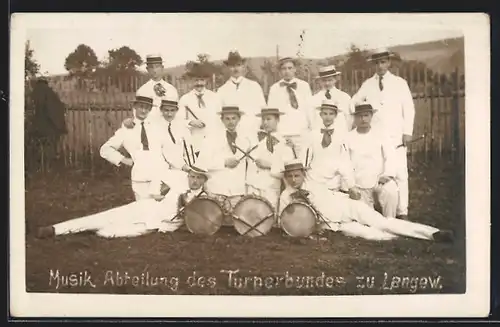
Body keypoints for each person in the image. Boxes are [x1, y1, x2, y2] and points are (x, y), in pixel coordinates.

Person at [277, 159, 454, 242]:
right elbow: (286, 223)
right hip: (333, 224)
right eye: (290, 176)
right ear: (286, 177)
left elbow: (339, 165)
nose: (294, 179)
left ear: (303, 174)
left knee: (383, 223)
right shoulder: (286, 196)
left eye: (297, 175)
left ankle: (433, 233)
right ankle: (408, 238)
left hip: (347, 207)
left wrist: (351, 187)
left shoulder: (314, 179)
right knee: (373, 235)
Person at [35, 164, 208, 239]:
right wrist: (155, 193)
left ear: (203, 180)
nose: (194, 181)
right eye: (192, 176)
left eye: (198, 178)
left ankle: (91, 231)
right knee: (101, 218)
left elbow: (199, 222)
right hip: (145, 208)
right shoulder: (178, 180)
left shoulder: (203, 199)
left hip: (156, 225)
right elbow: (159, 176)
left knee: (107, 234)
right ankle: (55, 230)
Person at [351, 47, 415, 219]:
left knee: (401, 173)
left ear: (389, 62)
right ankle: (380, 207)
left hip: (396, 136)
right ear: (374, 64)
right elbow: (354, 102)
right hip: (378, 137)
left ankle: (403, 211)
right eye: (377, 63)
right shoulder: (368, 84)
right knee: (380, 172)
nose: (380, 66)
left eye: (383, 62)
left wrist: (407, 131)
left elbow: (409, 108)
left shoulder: (399, 83)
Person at [100, 94, 164, 200]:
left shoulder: (156, 126)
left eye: (147, 108)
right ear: (135, 107)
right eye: (141, 107)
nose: (144, 111)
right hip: (141, 177)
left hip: (160, 175)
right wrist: (123, 159)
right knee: (144, 209)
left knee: (164, 210)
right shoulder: (126, 130)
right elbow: (105, 149)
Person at [345, 102, 399, 218]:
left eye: (366, 115)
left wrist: (387, 175)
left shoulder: (381, 134)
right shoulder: (348, 137)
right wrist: (351, 186)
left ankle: (390, 220)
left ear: (371, 116)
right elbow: (345, 163)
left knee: (391, 191)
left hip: (379, 180)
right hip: (359, 183)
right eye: (360, 116)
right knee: (366, 218)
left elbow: (390, 156)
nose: (363, 119)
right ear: (355, 118)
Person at [196, 105, 253, 198]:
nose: (231, 122)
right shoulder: (211, 138)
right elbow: (202, 163)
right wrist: (224, 163)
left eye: (234, 118)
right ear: (222, 120)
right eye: (227, 119)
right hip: (217, 190)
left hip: (237, 192)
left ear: (239, 119)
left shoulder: (246, 140)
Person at [304, 100, 357, 197]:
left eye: (331, 114)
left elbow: (345, 161)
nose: (328, 117)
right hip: (313, 181)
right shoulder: (312, 135)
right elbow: (305, 160)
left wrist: (351, 185)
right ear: (320, 115)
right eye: (325, 113)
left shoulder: (341, 136)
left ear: (336, 115)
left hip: (332, 182)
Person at [246, 107, 295, 209]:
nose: (265, 122)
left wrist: (269, 165)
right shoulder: (254, 139)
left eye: (269, 119)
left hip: (270, 189)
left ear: (277, 120)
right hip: (252, 187)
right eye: (263, 119)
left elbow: (287, 171)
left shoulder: (284, 143)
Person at [216, 51, 266, 135]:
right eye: (232, 66)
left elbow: (263, 109)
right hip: (232, 133)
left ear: (243, 66)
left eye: (238, 65)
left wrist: (259, 126)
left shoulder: (254, 86)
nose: (235, 69)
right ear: (228, 67)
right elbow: (218, 115)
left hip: (253, 130)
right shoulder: (221, 90)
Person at [178, 63, 221, 157]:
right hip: (194, 144)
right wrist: (190, 122)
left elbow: (220, 121)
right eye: (196, 80)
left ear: (206, 81)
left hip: (213, 143)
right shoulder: (184, 99)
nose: (199, 83)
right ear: (191, 81)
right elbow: (178, 121)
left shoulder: (215, 97)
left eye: (202, 80)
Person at [136, 54, 179, 122]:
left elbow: (176, 113)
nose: (154, 70)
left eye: (157, 66)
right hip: (149, 126)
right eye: (151, 67)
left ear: (162, 67)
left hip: (166, 126)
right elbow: (137, 115)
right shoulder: (142, 90)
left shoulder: (171, 89)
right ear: (147, 69)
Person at [310, 65, 353, 132]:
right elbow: (311, 120)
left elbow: (349, 119)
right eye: (324, 81)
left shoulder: (344, 97)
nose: (327, 83)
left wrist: (344, 132)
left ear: (335, 79)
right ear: (320, 81)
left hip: (340, 134)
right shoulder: (314, 99)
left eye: (330, 80)